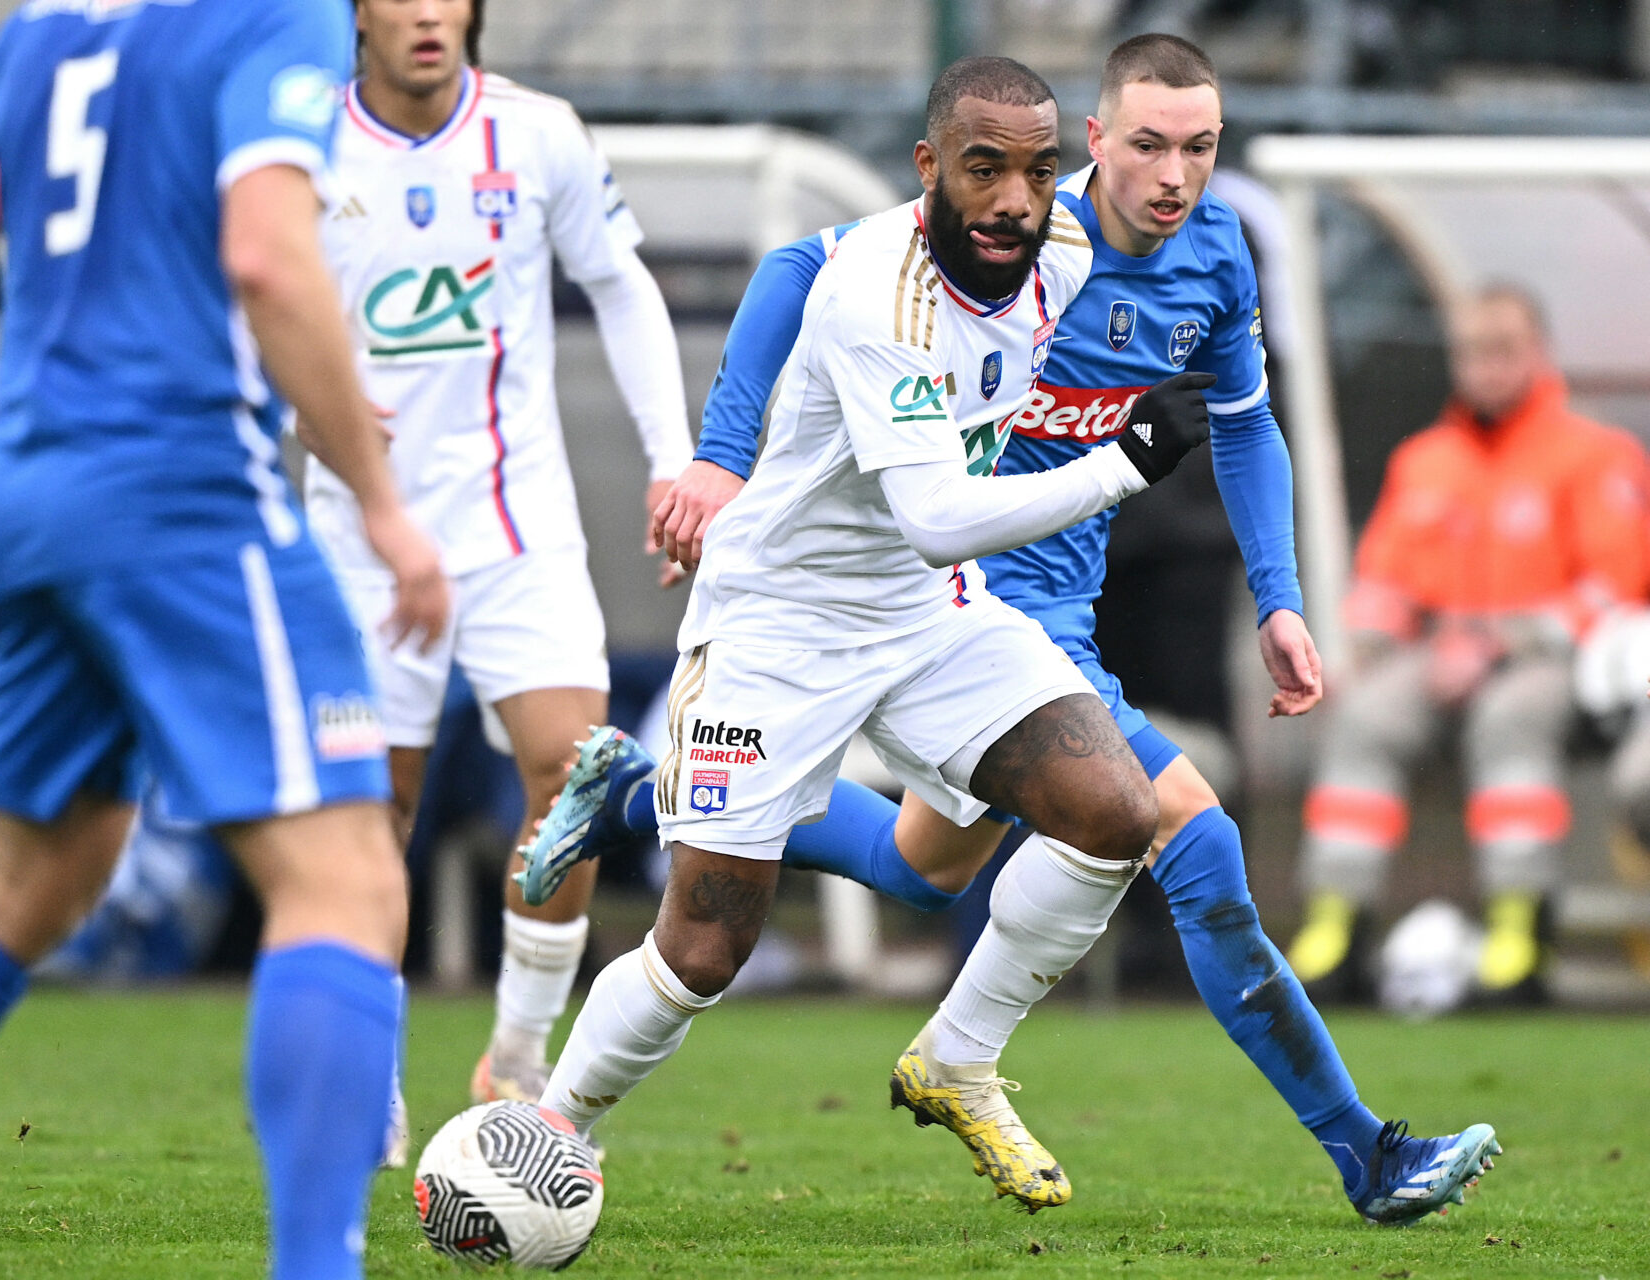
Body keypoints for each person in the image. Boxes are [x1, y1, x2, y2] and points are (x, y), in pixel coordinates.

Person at [528, 34, 1499, 1225]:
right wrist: (722, 456)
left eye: (1200, 148)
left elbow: (1245, 427)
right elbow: (805, 282)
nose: (1173, 176)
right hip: (885, 594)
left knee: (956, 865)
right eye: (1146, 144)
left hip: (972, 609)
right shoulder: (961, 247)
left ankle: (651, 800)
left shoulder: (1189, 253)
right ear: (1096, 142)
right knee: (1180, 845)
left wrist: (1282, 595)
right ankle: (1366, 1150)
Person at [0, 0, 448, 1276]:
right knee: (344, 875)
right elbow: (271, 258)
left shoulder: (43, 38)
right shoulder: (265, 21)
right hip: (182, 493)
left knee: (31, 881)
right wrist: (383, 508)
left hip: (26, 502)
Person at [531, 53, 1222, 1213]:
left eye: (1038, 171)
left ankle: (957, 1056)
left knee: (1111, 812)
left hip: (924, 614)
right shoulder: (875, 296)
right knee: (704, 948)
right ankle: (552, 1127)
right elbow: (941, 516)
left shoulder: (1059, 249)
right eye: (984, 168)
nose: (1013, 197)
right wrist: (1126, 463)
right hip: (781, 628)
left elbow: (946, 516)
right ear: (928, 169)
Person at [302, 0, 691, 1114]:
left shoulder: (537, 133)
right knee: (374, 811)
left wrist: (673, 457)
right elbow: (249, 306)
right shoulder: (304, 140)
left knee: (575, 774)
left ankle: (518, 1060)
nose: (427, 13)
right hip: (362, 540)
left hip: (514, 524)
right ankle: (370, 1080)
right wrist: (312, 402)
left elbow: (620, 282)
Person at [1288, 284, 1650, 1000]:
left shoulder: (1596, 454)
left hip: (1557, 662)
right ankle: (1337, 921)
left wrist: (1499, 641)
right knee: (1363, 715)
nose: (1485, 368)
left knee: (1510, 718)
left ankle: (1519, 926)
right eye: (1471, 353)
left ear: (1539, 355)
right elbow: (1384, 581)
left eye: (1502, 351)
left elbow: (1617, 584)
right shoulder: (1425, 459)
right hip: (1443, 654)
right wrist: (1368, 648)